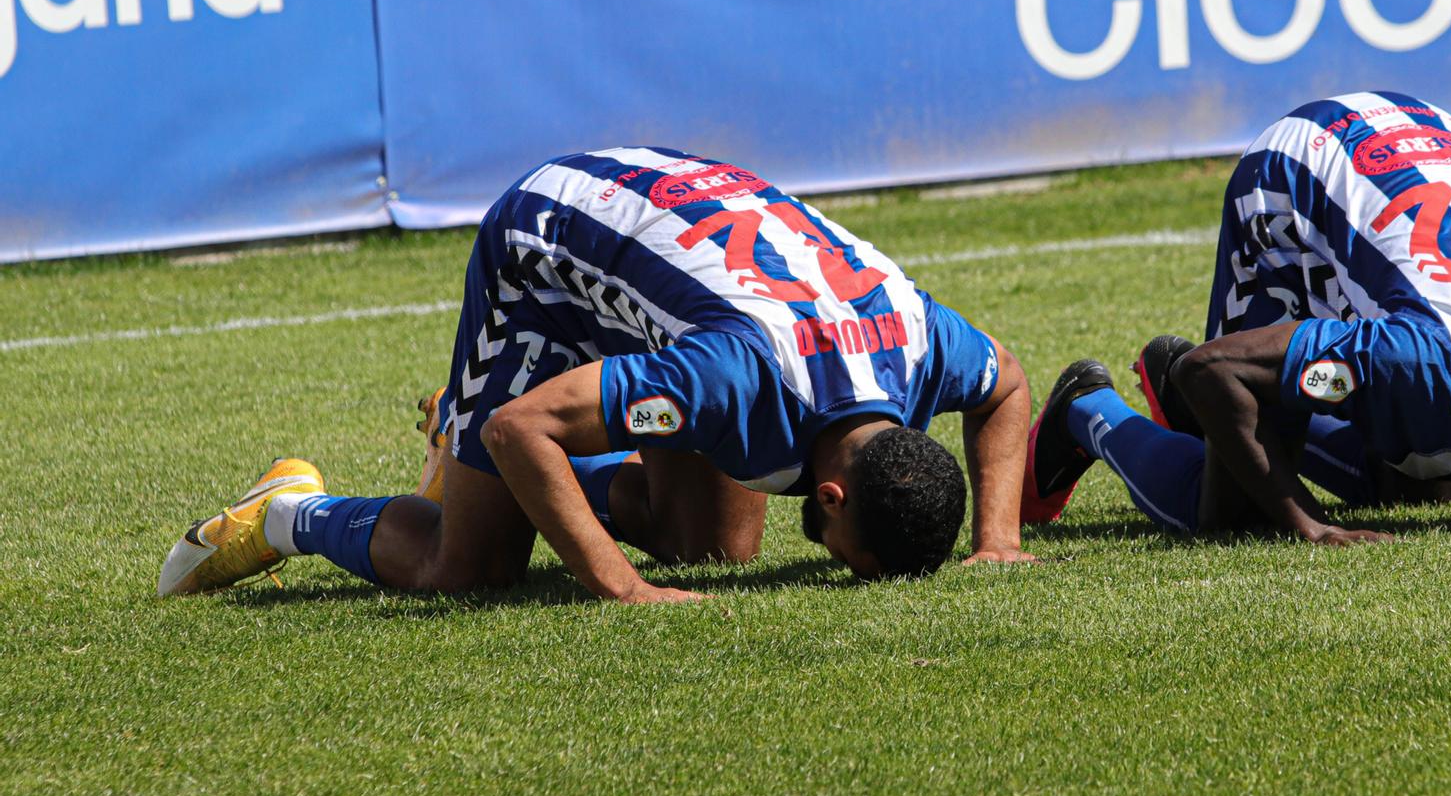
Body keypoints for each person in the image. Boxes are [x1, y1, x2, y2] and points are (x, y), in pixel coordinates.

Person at [160, 146, 1033, 603]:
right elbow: (519, 429)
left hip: (676, 251)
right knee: (468, 566)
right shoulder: (729, 380)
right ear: (833, 501)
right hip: (544, 255)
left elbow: (1006, 384)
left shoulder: (921, 348)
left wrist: (999, 543)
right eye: (853, 565)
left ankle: (476, 442)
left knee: (715, 550)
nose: (838, 567)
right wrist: (622, 587)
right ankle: (285, 515)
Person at [1021, 92, 1451, 542]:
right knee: (1237, 514)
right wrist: (1306, 522)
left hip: (1417, 128)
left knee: (1420, 478)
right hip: (1293, 176)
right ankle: (1090, 409)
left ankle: (1222, 399)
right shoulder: (1420, 360)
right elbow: (1217, 370)